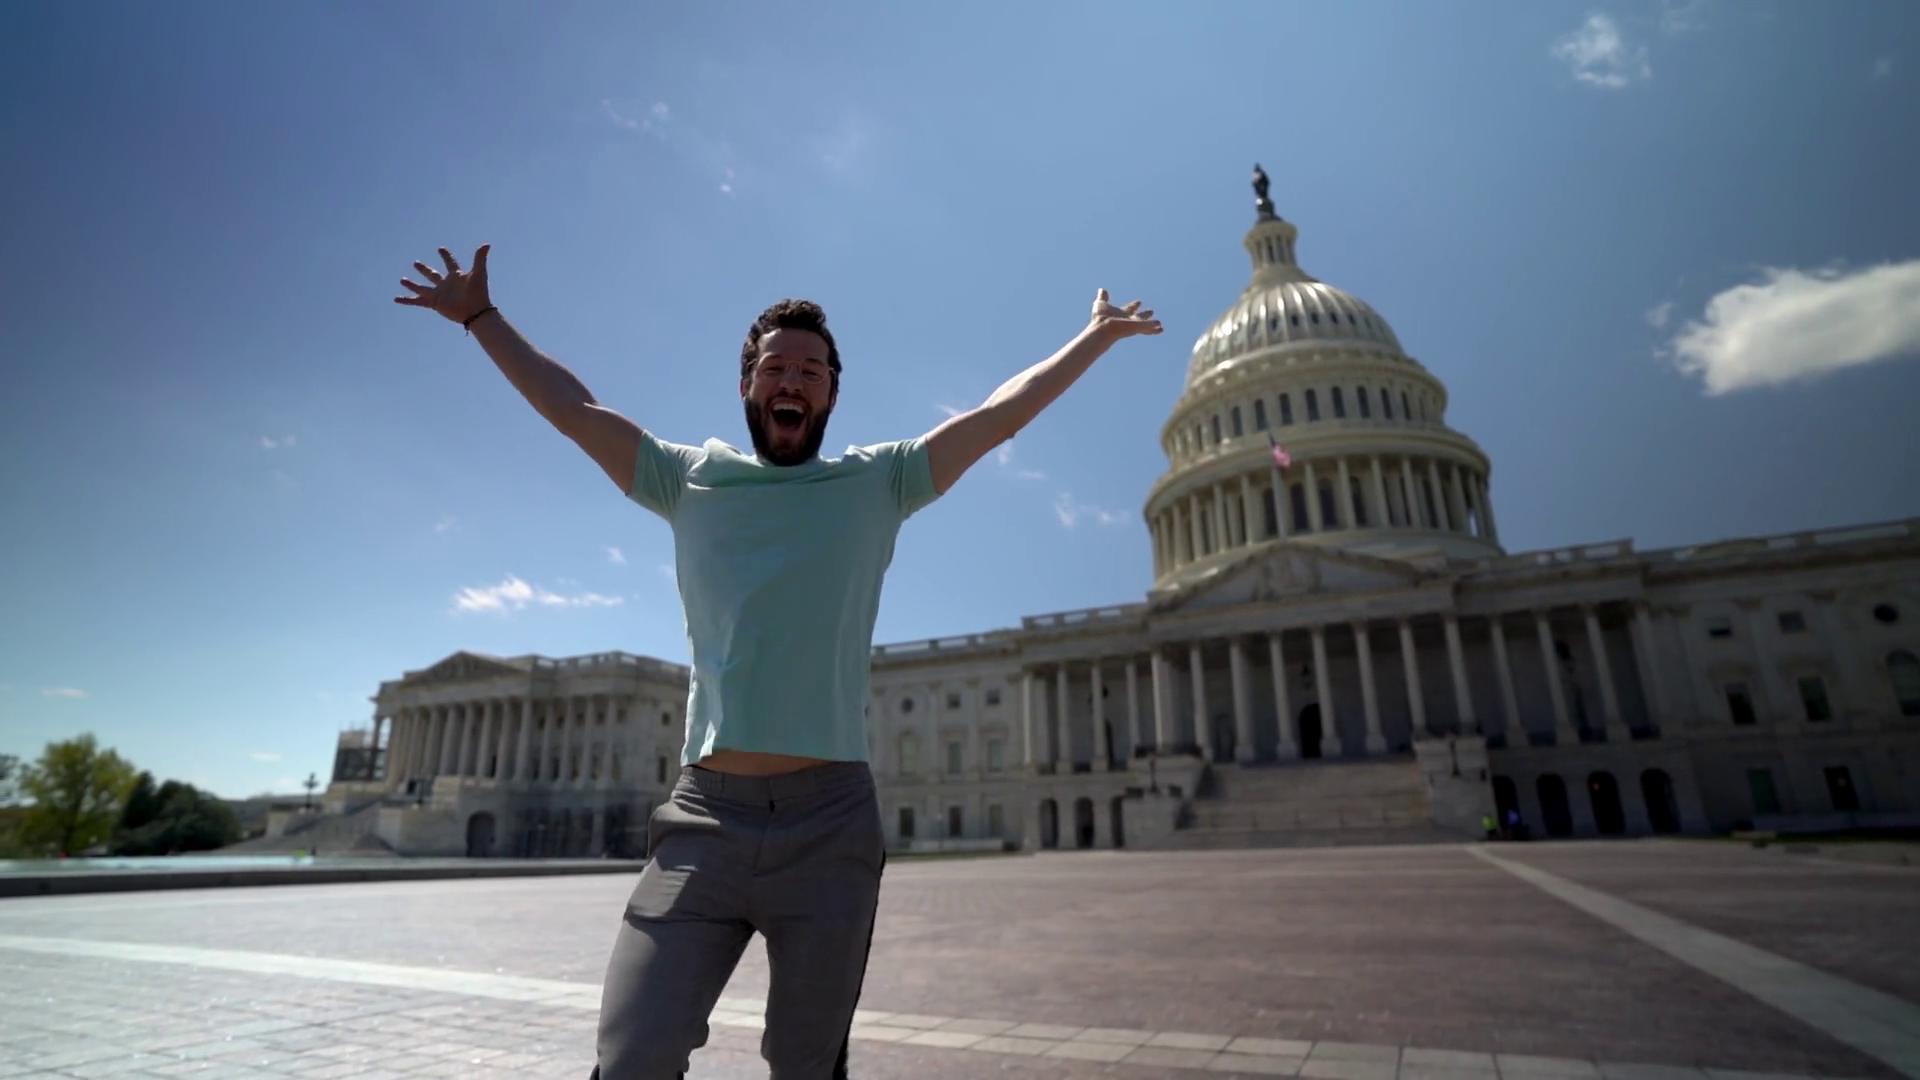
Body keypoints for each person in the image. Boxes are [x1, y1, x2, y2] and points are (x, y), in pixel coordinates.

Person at [394, 246, 1162, 1080]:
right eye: (774, 367)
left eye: (810, 370)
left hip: (830, 821)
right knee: (633, 1054)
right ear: (747, 386)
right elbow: (574, 409)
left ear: (830, 394)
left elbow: (999, 415)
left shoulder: (882, 481)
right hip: (703, 819)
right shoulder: (687, 478)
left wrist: (1094, 337)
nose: (791, 379)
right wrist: (482, 319)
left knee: (806, 1065)